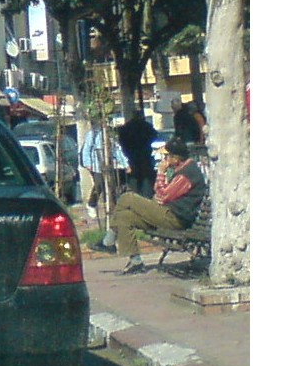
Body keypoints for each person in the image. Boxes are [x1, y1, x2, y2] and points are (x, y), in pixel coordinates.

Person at [94, 137, 206, 274]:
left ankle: (108, 241)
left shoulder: (187, 174)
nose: (164, 159)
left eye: (167, 156)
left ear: (176, 158)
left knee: (127, 198)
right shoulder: (181, 169)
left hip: (175, 218)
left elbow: (164, 195)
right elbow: (163, 195)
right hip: (167, 212)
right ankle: (135, 262)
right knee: (124, 217)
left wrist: (160, 173)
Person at [79, 119, 128, 219]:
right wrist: (88, 163)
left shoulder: (110, 136)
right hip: (96, 165)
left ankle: (111, 206)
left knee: (112, 185)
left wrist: (125, 164)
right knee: (99, 185)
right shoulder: (93, 134)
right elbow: (86, 149)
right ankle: (91, 204)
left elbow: (116, 150)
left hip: (109, 165)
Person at [117, 109, 158, 198]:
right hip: (145, 154)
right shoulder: (146, 126)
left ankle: (135, 196)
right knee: (146, 176)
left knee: (133, 176)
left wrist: (126, 149)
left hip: (131, 155)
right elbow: (154, 135)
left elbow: (121, 139)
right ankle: (146, 196)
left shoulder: (126, 127)